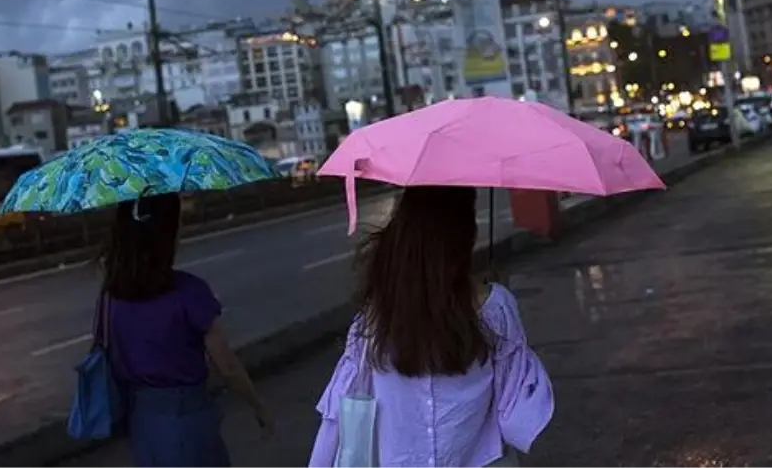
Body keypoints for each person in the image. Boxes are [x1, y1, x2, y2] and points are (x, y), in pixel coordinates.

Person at [309, 186, 553, 467]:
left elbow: (340, 415)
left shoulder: (376, 318)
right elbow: (516, 417)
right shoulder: (495, 309)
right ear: (465, 235)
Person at [101, 192, 273, 467]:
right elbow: (227, 366)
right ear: (167, 234)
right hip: (187, 419)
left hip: (141, 421)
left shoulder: (111, 294)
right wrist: (258, 406)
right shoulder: (189, 292)